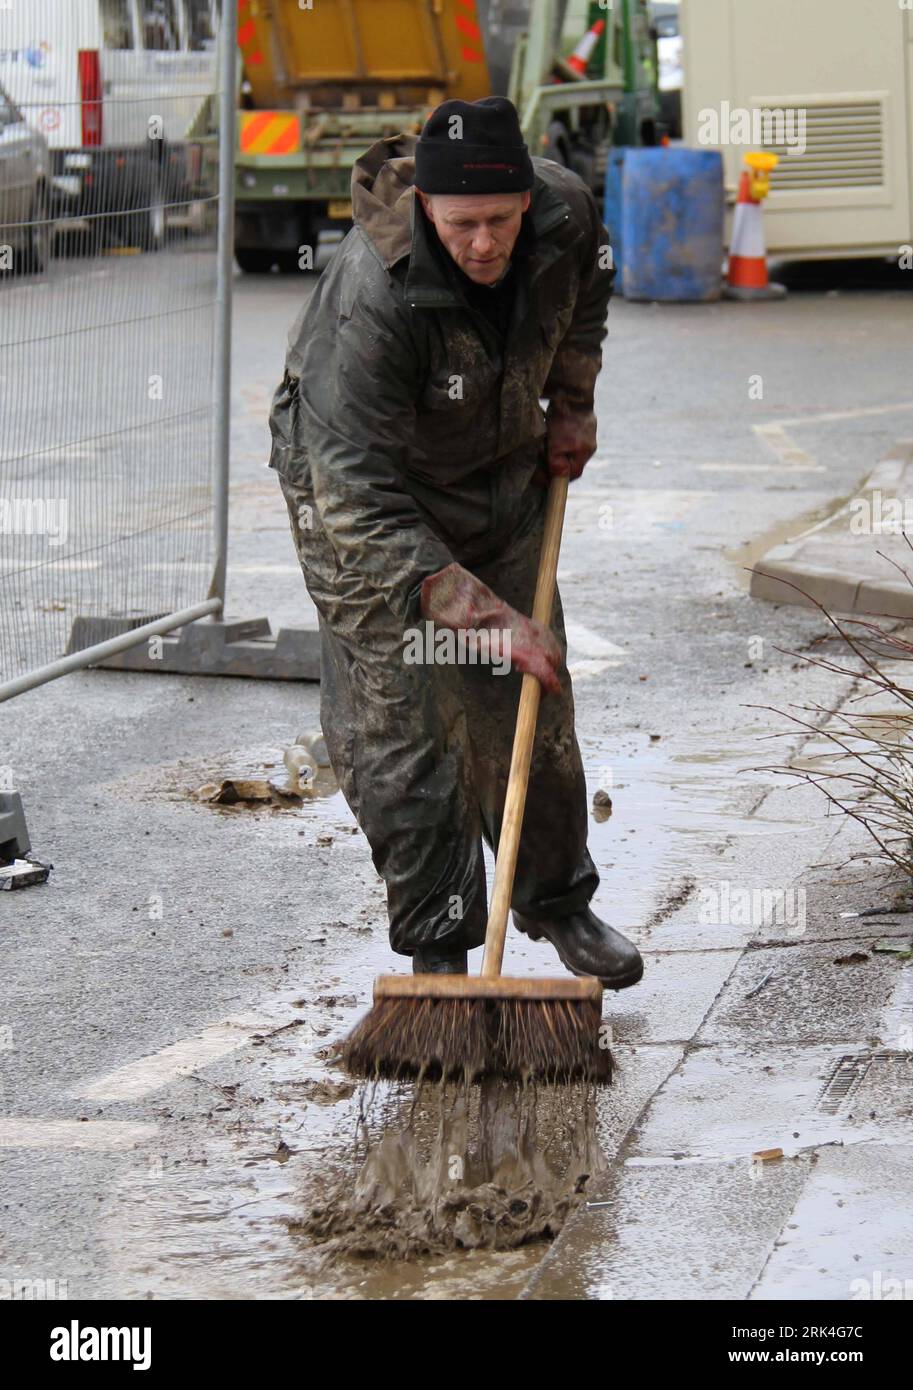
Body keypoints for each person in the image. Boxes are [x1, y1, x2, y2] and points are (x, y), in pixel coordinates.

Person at [268, 96, 642, 988]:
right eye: (464, 224)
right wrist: (481, 614)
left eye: (499, 221)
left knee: (532, 690)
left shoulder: (559, 211)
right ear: (429, 210)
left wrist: (574, 398)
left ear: (524, 198)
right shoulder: (369, 299)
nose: (484, 243)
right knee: (400, 721)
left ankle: (555, 902)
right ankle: (438, 944)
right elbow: (353, 495)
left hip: (495, 465)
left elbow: (584, 289)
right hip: (361, 500)